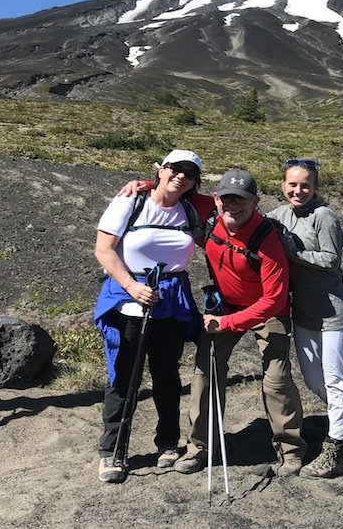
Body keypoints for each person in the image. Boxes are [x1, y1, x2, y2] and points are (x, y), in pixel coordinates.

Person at [172, 168, 308, 477]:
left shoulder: (267, 239)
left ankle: (290, 449)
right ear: (217, 199)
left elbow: (274, 300)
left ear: (256, 202)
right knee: (205, 374)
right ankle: (200, 448)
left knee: (276, 379)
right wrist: (141, 184)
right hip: (226, 306)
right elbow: (175, 189)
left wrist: (230, 322)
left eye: (242, 201)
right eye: (228, 199)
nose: (234, 206)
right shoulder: (208, 212)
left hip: (267, 312)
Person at [92, 149, 207, 484]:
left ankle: (168, 443)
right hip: (130, 301)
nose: (181, 176)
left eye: (190, 173)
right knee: (124, 377)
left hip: (171, 301)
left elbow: (229, 213)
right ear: (161, 170)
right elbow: (103, 249)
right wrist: (131, 286)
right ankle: (112, 451)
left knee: (167, 376)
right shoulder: (130, 202)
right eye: (175, 169)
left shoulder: (190, 209)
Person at [267, 159, 343, 479]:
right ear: (283, 185)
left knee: (336, 381)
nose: (298, 190)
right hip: (303, 313)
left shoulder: (324, 216)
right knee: (315, 380)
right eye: (292, 184)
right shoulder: (279, 214)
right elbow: (251, 219)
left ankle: (336, 450)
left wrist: (289, 249)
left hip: (334, 313)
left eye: (305, 185)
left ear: (315, 187)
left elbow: (330, 260)